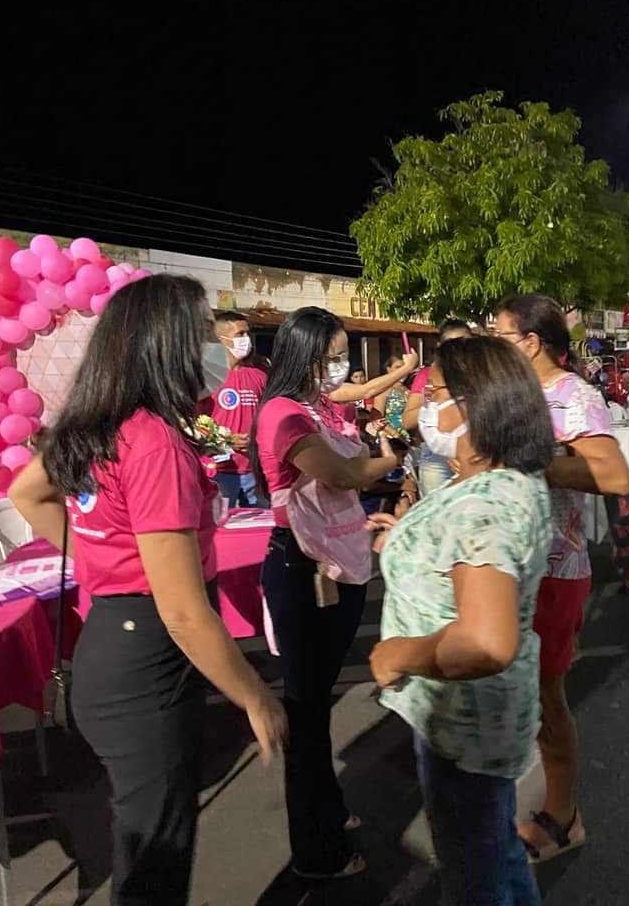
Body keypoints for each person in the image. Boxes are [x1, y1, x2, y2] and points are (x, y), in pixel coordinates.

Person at [9, 275, 286, 906]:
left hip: (112, 642)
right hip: (147, 662)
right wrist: (255, 698)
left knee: (143, 843)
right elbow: (185, 612)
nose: (214, 344)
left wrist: (104, 559)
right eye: (201, 330)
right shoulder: (155, 439)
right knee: (155, 864)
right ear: (166, 343)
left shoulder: (100, 423)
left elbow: (28, 493)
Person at [370, 336, 554, 905]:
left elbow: (484, 641)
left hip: (464, 724)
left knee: (473, 877)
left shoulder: (485, 505)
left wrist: (395, 655)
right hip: (484, 720)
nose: (422, 405)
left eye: (435, 392)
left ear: (474, 406)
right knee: (495, 849)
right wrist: (406, 540)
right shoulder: (499, 480)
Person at [249, 306, 402, 880]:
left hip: (338, 562)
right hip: (300, 567)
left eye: (342, 351)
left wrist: (369, 455)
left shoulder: (323, 408)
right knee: (306, 713)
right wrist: (388, 459)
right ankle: (315, 852)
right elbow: (343, 474)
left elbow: (353, 459)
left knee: (317, 706)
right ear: (302, 354)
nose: (341, 362)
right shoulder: (283, 414)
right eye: (332, 352)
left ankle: (329, 811)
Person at [495, 294, 629, 864]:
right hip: (506, 567)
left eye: (501, 335)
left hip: (553, 568)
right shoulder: (515, 393)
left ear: (531, 341)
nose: (494, 343)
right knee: (513, 691)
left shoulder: (574, 395)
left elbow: (613, 473)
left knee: (548, 697)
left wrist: (530, 457)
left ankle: (563, 816)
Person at [199, 310, 266, 506]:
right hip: (219, 471)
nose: (246, 339)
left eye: (247, 333)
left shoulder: (260, 376)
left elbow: (270, 417)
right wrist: (226, 441)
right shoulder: (205, 376)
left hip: (255, 470)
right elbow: (192, 423)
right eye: (240, 335)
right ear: (221, 339)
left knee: (259, 529)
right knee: (221, 529)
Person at [402, 319, 474, 496]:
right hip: (437, 459)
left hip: (475, 456)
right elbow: (407, 421)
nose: (457, 352)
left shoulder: (482, 373)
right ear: (440, 346)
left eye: (464, 344)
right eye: (451, 345)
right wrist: (434, 403)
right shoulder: (428, 375)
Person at [371, 355, 410, 437]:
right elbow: (377, 419)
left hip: (410, 438)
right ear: (389, 369)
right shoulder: (383, 390)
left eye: (405, 367)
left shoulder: (409, 389)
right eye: (398, 367)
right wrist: (396, 435)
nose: (402, 371)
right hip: (392, 438)